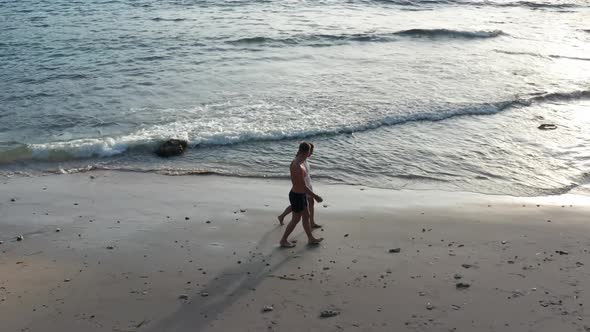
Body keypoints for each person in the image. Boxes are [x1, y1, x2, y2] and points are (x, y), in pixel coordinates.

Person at [279, 142, 324, 248]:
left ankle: (311, 238)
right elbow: (303, 186)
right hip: (297, 196)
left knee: (306, 216)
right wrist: (315, 196)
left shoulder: (300, 161)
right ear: (306, 152)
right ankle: (283, 240)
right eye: (309, 152)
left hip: (301, 195)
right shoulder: (297, 166)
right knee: (296, 219)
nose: (310, 154)